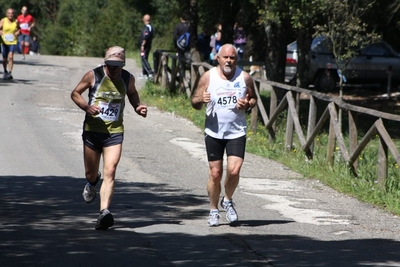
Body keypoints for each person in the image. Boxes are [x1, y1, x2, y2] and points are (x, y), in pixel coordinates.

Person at [70, 46, 148, 230]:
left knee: (111, 171)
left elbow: (132, 94)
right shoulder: (93, 75)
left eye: (118, 66)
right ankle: (92, 182)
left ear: (123, 65)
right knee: (91, 173)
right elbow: (75, 93)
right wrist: (87, 108)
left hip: (114, 132)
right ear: (105, 63)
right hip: (92, 130)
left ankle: (104, 212)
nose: (114, 70)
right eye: (111, 66)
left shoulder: (127, 78)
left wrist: (138, 107)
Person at [191, 44, 257, 227]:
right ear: (218, 58)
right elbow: (194, 101)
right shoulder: (208, 77)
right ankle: (213, 210)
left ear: (237, 59)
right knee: (215, 173)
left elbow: (253, 99)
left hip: (236, 131)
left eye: (233, 58)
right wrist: (200, 100)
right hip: (214, 131)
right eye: (225, 57)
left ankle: (227, 200)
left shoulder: (245, 78)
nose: (229, 61)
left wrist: (247, 104)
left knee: (234, 171)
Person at [0, 8, 20, 80]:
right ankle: (5, 71)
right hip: (4, 41)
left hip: (12, 41)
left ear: (13, 14)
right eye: (9, 13)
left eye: (12, 13)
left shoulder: (16, 21)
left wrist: (18, 32)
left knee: (11, 56)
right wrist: (0, 32)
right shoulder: (3, 20)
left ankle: (10, 72)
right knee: (4, 58)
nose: (10, 15)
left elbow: (19, 29)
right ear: (6, 14)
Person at [173, 13, 190, 80]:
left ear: (181, 18)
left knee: (181, 63)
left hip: (180, 47)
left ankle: (182, 78)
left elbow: (174, 37)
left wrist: (175, 46)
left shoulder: (178, 26)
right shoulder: (189, 27)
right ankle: (191, 80)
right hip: (188, 47)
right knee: (189, 63)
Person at [138, 14, 154, 80]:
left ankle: (150, 73)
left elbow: (145, 37)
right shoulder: (150, 27)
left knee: (143, 58)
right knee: (144, 58)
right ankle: (144, 73)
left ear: (144, 19)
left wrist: (142, 45)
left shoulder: (147, 27)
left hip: (145, 46)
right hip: (147, 45)